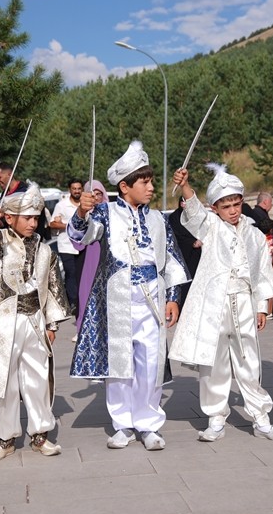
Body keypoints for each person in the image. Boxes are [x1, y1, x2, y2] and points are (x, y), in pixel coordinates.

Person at [68, 141, 189, 451]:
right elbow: (80, 236)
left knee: (150, 364)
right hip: (117, 300)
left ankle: (149, 424)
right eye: (144, 182)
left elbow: (172, 259)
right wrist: (81, 211)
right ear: (124, 186)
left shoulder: (159, 219)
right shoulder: (105, 213)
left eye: (151, 181)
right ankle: (122, 424)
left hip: (152, 299)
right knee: (120, 365)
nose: (151, 188)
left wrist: (173, 297)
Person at [169, 166, 273, 442]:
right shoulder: (210, 227)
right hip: (215, 304)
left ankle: (261, 418)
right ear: (215, 208)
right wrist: (185, 186)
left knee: (249, 361)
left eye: (236, 204)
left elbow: (262, 272)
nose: (233, 211)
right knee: (215, 362)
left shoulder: (255, 235)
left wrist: (262, 306)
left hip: (244, 301)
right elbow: (194, 212)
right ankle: (215, 417)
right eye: (226, 206)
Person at [0, 186, 71, 459]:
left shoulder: (45, 250)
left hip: (34, 320)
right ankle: (5, 438)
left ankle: (40, 434)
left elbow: (54, 288)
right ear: (9, 218)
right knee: (4, 380)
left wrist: (52, 324)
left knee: (37, 378)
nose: (32, 223)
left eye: (36, 218)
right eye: (27, 217)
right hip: (3, 321)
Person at [48, 179, 85, 315]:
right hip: (67, 246)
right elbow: (52, 223)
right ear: (70, 190)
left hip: (83, 245)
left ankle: (82, 301)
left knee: (82, 274)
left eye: (79, 188)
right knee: (70, 273)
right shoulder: (62, 205)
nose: (76, 191)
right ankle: (73, 302)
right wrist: (70, 226)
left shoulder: (85, 204)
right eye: (74, 188)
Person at [76, 180, 107, 329]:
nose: (95, 197)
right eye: (92, 193)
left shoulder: (112, 213)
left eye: (99, 193)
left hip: (108, 259)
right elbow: (76, 236)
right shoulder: (83, 214)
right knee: (87, 293)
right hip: (89, 259)